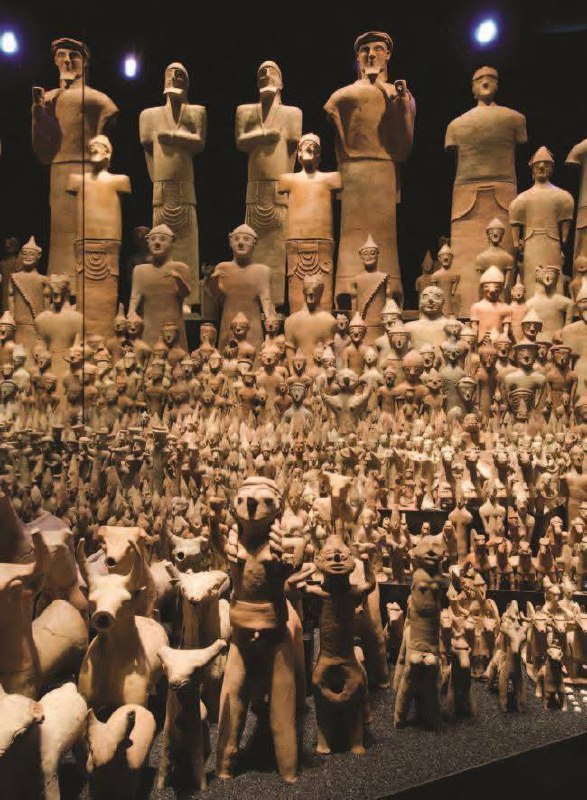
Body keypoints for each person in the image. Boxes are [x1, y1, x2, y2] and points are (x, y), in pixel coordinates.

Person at [324, 30, 415, 302]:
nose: (371, 55)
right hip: (354, 172)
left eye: (377, 49)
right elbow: (331, 107)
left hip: (384, 172)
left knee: (385, 239)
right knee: (351, 239)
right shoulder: (347, 93)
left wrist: (401, 104)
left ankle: (391, 292)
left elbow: (404, 146)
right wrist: (347, 152)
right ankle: (346, 292)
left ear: (388, 55)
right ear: (357, 57)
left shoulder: (399, 93)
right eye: (365, 50)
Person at [32, 38, 118, 281]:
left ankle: (86, 281)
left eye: (74, 56)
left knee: (85, 227)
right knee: (61, 232)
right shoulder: (49, 99)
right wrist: (38, 114)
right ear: (55, 61)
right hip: (59, 169)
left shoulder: (96, 99)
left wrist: (100, 147)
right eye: (62, 55)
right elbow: (42, 148)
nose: (67, 61)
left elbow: (110, 112)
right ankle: (59, 280)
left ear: (85, 62)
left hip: (87, 169)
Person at [445, 66, 526, 313]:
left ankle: (502, 312)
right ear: (472, 87)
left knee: (505, 258)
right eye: (479, 79)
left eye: (491, 78)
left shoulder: (515, 119)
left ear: (498, 84)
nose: (485, 82)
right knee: (464, 267)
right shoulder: (456, 125)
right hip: (465, 193)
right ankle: (466, 313)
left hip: (504, 190)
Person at [140, 62, 206, 305]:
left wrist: (173, 137)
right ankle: (164, 295)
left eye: (179, 75)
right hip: (162, 188)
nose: (174, 77)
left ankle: (188, 298)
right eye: (170, 74)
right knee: (160, 243)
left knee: (187, 243)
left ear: (186, 83)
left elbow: (199, 142)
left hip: (185, 188)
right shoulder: (149, 116)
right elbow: (147, 143)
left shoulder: (196, 112)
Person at [236, 61, 302, 304]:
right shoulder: (246, 112)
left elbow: (293, 143)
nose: (265, 74)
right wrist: (264, 134)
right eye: (261, 72)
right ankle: (254, 298)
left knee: (277, 245)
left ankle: (274, 301)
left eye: (271, 71)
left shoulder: (292, 114)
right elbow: (240, 141)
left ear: (281, 82)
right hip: (255, 189)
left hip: (277, 188)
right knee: (251, 243)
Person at [67, 135, 130, 336]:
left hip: (110, 241)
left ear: (108, 152)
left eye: (99, 146)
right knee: (85, 294)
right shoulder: (77, 180)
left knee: (108, 290)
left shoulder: (120, 181)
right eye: (91, 147)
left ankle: (105, 339)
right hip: (84, 241)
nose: (94, 150)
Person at [277, 133, 340, 312]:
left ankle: (322, 324)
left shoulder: (331, 178)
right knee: (296, 290)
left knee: (324, 293)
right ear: (298, 153)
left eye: (315, 148)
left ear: (320, 155)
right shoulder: (288, 180)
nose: (311, 149)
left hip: (323, 240)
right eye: (307, 146)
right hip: (294, 240)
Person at [510, 147, 574, 296]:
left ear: (552, 168)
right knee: (531, 277)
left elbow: (566, 221)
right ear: (532, 169)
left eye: (546, 164)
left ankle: (555, 304)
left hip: (552, 242)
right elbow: (515, 220)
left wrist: (563, 238)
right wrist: (516, 242)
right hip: (531, 243)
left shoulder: (562, 196)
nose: (541, 167)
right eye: (538, 164)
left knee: (554, 275)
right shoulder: (523, 198)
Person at [209, 224, 274, 353]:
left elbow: (266, 300)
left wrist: (270, 319)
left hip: (253, 326)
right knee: (227, 360)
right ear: (230, 242)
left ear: (254, 243)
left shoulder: (263, 271)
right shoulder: (222, 268)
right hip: (228, 324)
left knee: (254, 358)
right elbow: (217, 296)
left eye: (246, 239)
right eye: (236, 239)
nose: (240, 243)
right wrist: (213, 282)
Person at [129, 224, 190, 349]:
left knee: (175, 355)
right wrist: (131, 313)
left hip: (172, 324)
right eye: (153, 239)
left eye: (162, 239)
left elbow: (184, 294)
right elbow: (135, 296)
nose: (157, 243)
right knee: (149, 354)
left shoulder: (181, 268)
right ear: (148, 242)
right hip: (149, 325)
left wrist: (179, 281)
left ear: (171, 242)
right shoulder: (140, 270)